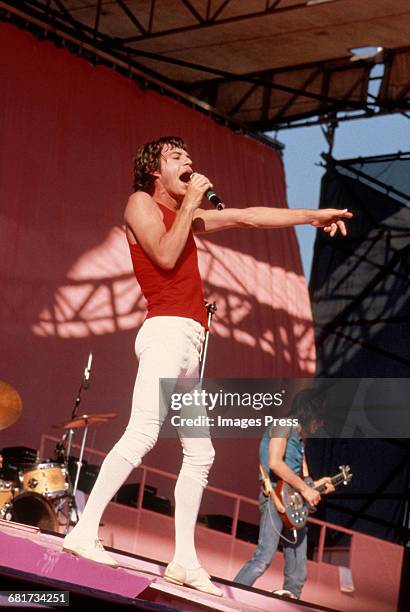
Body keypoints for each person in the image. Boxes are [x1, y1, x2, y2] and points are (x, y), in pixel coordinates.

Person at [62, 136, 351, 596]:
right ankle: (83, 529)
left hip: (189, 344)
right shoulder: (139, 201)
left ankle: (183, 560)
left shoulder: (188, 214)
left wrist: (311, 217)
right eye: (176, 158)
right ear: (154, 170)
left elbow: (247, 215)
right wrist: (193, 201)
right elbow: (163, 254)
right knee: (143, 433)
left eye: (190, 157)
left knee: (201, 454)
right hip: (166, 333)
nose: (189, 163)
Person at [234, 388, 335, 599]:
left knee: (298, 570)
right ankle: (232, 592)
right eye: (319, 419)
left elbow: (298, 480)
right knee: (263, 557)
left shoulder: (300, 439)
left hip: (291, 502)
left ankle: (291, 601)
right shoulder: (282, 426)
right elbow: (275, 463)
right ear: (309, 414)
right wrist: (306, 489)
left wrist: (316, 485)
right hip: (274, 499)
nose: (320, 424)